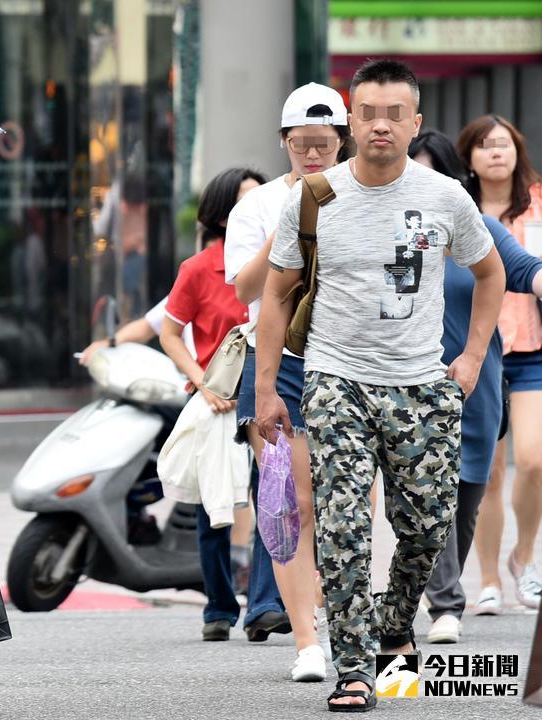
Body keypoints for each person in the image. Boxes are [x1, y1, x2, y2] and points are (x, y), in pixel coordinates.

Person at [256, 59, 504, 712]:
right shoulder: (314, 198)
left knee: (426, 526)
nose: (381, 125)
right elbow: (276, 298)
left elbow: (490, 273)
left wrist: (473, 356)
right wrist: (265, 390)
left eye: (395, 114)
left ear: (414, 122)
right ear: (350, 121)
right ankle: (356, 669)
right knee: (340, 527)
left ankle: (396, 622)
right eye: (368, 112)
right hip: (336, 382)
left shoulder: (446, 197)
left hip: (422, 385)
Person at [224, 82, 351, 682]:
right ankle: (306, 641)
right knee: (290, 499)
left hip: (352, 355)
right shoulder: (255, 206)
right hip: (277, 359)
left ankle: (335, 605)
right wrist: (292, 216)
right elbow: (246, 291)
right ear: (284, 143)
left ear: (342, 142)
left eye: (325, 145)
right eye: (303, 145)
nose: (314, 157)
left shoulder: (363, 196)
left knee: (347, 500)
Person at [408, 129, 542, 644]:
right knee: (425, 485)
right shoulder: (392, 231)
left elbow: (524, 269)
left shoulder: (481, 228)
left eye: (433, 175)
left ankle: (437, 586)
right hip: (409, 380)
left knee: (466, 492)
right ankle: (446, 602)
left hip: (476, 380)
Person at [158, 166, 272, 643]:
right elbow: (168, 332)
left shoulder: (284, 257)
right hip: (219, 400)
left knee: (275, 493)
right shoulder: (199, 268)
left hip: (271, 391)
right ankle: (219, 606)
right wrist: (199, 382)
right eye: (244, 202)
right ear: (222, 214)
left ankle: (266, 604)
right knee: (213, 507)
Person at [457, 115, 542, 612]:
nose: (496, 153)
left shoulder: (538, 204)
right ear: (468, 156)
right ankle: (487, 579)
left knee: (533, 460)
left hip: (531, 348)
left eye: (504, 144)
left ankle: (523, 559)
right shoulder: (457, 211)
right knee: (485, 471)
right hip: (478, 351)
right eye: (485, 145)